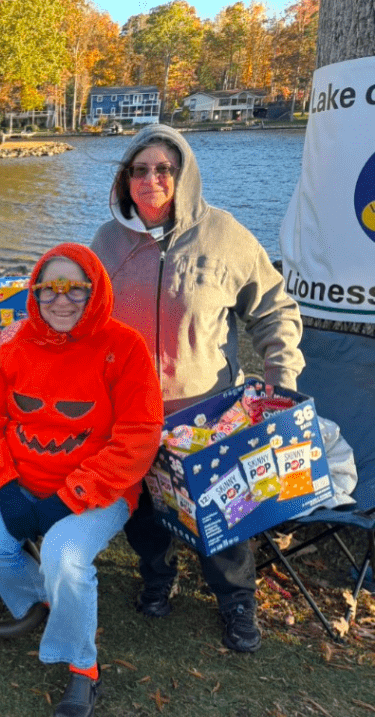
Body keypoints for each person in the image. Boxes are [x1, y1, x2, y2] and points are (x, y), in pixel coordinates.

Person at [88, 123, 304, 653]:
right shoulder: (106, 241)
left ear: (183, 174)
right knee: (144, 509)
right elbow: (85, 320)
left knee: (222, 516)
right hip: (131, 412)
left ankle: (235, 602)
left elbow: (274, 308)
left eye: (164, 168)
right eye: (140, 170)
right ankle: (159, 577)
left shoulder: (224, 235)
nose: (151, 179)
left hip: (208, 411)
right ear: (125, 179)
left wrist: (282, 380)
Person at [0, 243, 163, 717]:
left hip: (99, 486)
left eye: (76, 288)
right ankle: (51, 601)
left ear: (95, 291)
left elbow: (139, 437)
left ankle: (82, 664)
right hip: (17, 476)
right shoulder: (12, 344)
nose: (62, 299)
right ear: (35, 292)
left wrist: (70, 499)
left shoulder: (125, 346)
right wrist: (5, 485)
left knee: (65, 556)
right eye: (50, 288)